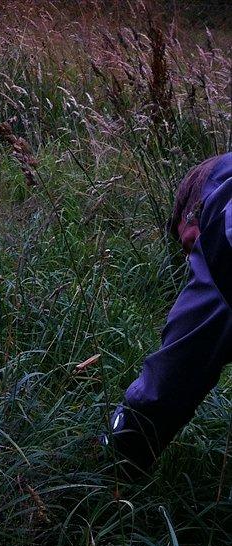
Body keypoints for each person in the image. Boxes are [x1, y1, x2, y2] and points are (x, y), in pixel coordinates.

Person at [103, 151, 232, 474]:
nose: (193, 261)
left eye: (189, 248)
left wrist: (116, 454)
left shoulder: (220, 218)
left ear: (195, 209)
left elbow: (176, 370)